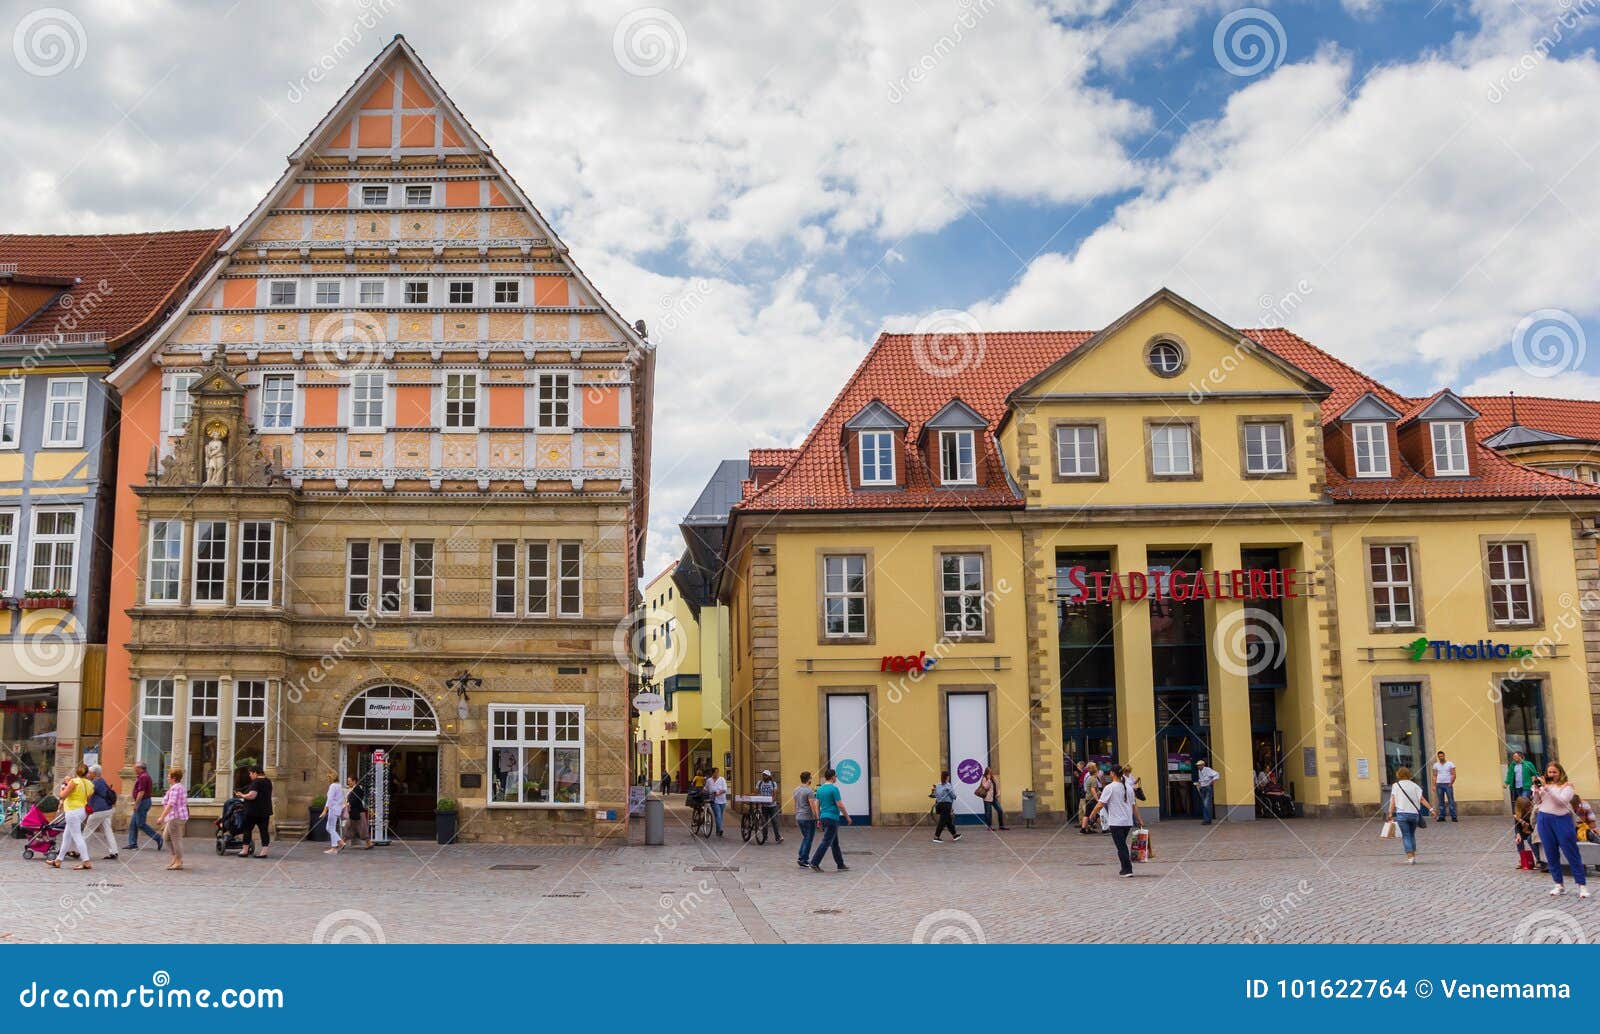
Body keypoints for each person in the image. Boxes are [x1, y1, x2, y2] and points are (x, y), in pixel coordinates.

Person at [1532, 762, 1590, 897]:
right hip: (1544, 819)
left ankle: (1582, 885)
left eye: (1554, 772)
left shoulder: (1567, 786)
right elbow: (1536, 802)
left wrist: (1546, 788)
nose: (1551, 775)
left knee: (1571, 852)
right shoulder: (1544, 786)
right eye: (1549, 772)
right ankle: (1558, 884)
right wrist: (1536, 790)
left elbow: (1561, 801)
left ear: (1560, 773)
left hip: (1561, 820)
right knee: (1550, 853)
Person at [1081, 765, 1141, 876]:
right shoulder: (1128, 787)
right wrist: (1139, 819)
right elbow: (1134, 806)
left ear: (1113, 773)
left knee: (1121, 846)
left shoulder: (1110, 787)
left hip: (1116, 822)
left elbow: (1100, 803)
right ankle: (1125, 868)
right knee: (1122, 844)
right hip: (1127, 822)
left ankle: (1127, 869)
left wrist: (1093, 813)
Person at [49, 762, 93, 870]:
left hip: (72, 811)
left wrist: (66, 784)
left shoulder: (74, 782)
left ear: (76, 771)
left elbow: (62, 795)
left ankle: (86, 861)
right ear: (87, 773)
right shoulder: (90, 784)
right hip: (82, 811)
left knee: (77, 836)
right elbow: (88, 798)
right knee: (67, 836)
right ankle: (58, 860)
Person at [807, 768, 851, 872]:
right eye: (836, 776)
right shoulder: (833, 789)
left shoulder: (820, 789)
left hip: (823, 817)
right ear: (832, 777)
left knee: (834, 842)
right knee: (826, 841)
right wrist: (847, 817)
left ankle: (840, 864)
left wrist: (818, 818)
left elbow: (816, 804)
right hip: (832, 818)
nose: (836, 777)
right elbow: (840, 805)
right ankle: (814, 862)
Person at [1387, 766, 1431, 864]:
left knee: (1406, 835)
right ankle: (1413, 856)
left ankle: (1410, 857)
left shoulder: (1396, 785)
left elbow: (1393, 800)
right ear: (1409, 774)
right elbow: (1422, 799)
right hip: (1414, 814)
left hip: (1402, 814)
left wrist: (1390, 812)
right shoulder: (1415, 786)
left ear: (1398, 774)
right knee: (1411, 835)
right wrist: (1431, 809)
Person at [81, 764, 121, 860]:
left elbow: (87, 794)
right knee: (108, 831)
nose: (88, 774)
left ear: (94, 774)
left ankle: (79, 851)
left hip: (99, 810)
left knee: (87, 831)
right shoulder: (102, 780)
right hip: (107, 809)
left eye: (89, 773)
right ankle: (114, 852)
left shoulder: (95, 782)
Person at [235, 764, 273, 858]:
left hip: (252, 811)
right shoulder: (268, 781)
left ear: (255, 773)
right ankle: (264, 851)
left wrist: (242, 796)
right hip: (265, 811)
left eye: (251, 773)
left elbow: (252, 795)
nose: (250, 775)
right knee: (264, 831)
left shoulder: (256, 782)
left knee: (247, 830)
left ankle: (245, 850)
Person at [124, 761, 164, 852]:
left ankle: (158, 838)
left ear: (140, 768)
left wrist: (137, 804)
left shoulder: (143, 777)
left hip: (142, 802)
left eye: (135, 768)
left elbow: (141, 792)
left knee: (140, 824)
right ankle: (133, 844)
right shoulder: (143, 776)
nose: (134, 770)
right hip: (143, 801)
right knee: (133, 824)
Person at [154, 766, 188, 871]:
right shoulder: (178, 787)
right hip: (175, 817)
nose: (167, 778)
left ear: (174, 778)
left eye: (169, 776)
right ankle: (175, 857)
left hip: (176, 817)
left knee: (176, 839)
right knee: (166, 837)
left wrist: (161, 817)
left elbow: (170, 804)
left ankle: (178, 861)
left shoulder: (175, 788)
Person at [792, 771, 817, 868]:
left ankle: (801, 857)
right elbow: (812, 805)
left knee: (806, 837)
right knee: (808, 838)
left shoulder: (796, 790)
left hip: (799, 816)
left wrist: (796, 815)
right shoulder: (809, 791)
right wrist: (817, 817)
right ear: (809, 779)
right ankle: (803, 859)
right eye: (811, 778)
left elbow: (795, 804)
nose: (811, 779)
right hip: (808, 817)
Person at [319, 771, 346, 854]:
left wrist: (324, 810)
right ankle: (340, 842)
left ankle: (334, 848)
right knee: (329, 827)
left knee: (331, 828)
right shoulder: (339, 786)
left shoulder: (333, 786)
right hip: (337, 809)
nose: (328, 779)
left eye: (328, 777)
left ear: (331, 778)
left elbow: (329, 799)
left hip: (333, 809)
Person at [931, 771, 961, 842]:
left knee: (948, 821)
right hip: (946, 805)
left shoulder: (937, 785)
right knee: (942, 821)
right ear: (947, 777)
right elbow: (952, 795)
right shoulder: (948, 785)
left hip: (940, 804)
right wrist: (955, 797)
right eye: (948, 776)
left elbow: (935, 795)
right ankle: (936, 837)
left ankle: (954, 835)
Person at [343, 775, 370, 849]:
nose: (348, 783)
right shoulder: (352, 789)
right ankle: (343, 842)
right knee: (348, 827)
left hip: (358, 812)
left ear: (354, 781)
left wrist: (348, 803)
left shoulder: (358, 789)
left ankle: (369, 843)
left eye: (349, 781)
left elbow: (356, 799)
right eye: (348, 781)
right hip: (352, 812)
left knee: (362, 829)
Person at [756, 769, 782, 843]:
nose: (764, 776)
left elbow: (774, 794)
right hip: (764, 806)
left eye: (765, 775)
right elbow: (757, 792)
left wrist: (771, 800)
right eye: (763, 775)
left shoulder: (773, 784)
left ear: (769, 776)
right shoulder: (759, 783)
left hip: (772, 806)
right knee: (764, 822)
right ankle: (765, 836)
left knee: (775, 821)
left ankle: (778, 837)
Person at [1432, 750, 1458, 822]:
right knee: (1440, 801)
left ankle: (1454, 816)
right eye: (1439, 756)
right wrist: (1433, 785)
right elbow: (1434, 776)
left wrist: (1451, 783)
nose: (1441, 757)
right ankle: (1442, 816)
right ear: (1438, 757)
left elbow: (1453, 774)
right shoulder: (1435, 765)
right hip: (1439, 784)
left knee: (1451, 800)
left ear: (1444, 756)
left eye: (1442, 756)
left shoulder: (1450, 764)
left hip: (1447, 784)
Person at [1513, 796, 1537, 869]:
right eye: (1526, 807)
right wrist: (1518, 834)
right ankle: (1522, 858)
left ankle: (1538, 859)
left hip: (1532, 831)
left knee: (1530, 839)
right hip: (1524, 831)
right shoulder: (1518, 813)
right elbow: (1517, 826)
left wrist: (1525, 824)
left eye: (1529, 806)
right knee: (1518, 840)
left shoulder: (1533, 811)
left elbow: (1534, 825)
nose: (1528, 808)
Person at [704, 767, 728, 838]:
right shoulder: (709, 780)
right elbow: (706, 788)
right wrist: (703, 792)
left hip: (722, 800)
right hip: (714, 801)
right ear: (712, 773)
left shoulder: (722, 779)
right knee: (718, 815)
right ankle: (720, 830)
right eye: (715, 772)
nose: (717, 773)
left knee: (719, 816)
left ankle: (718, 831)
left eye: (717, 772)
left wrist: (719, 793)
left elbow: (725, 789)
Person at [1195, 758, 1220, 824]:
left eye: (1200, 765)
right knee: (1205, 804)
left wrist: (1213, 781)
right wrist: (1199, 783)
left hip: (1207, 787)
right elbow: (1201, 779)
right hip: (1202, 788)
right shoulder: (1199, 771)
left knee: (1206, 804)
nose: (1198, 766)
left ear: (1203, 765)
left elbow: (1217, 774)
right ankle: (1207, 820)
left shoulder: (1207, 769)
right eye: (1198, 765)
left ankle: (1207, 820)